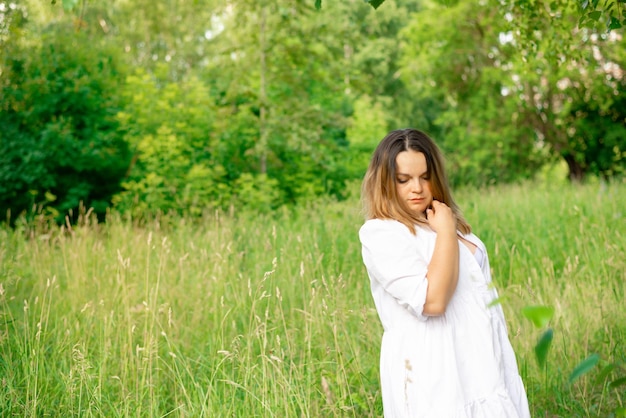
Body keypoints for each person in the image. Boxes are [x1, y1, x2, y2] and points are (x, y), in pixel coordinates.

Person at [359, 128, 530, 417]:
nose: (417, 188)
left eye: (425, 177)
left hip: (485, 364)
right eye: (403, 180)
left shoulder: (444, 222)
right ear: (385, 183)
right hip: (436, 375)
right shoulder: (382, 233)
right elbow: (433, 301)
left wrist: (447, 227)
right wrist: (446, 231)